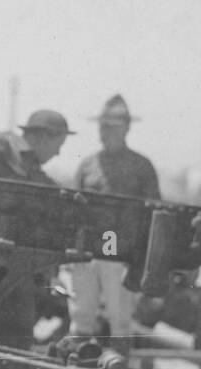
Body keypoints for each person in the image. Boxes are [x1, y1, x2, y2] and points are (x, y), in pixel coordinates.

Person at [0, 108, 75, 348]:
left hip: (15, 264)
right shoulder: (6, 144)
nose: (59, 152)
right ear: (44, 136)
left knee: (15, 332)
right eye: (58, 144)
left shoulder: (35, 171)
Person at [67, 94, 161, 354]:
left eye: (111, 127)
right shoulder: (87, 165)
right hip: (87, 251)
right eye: (102, 126)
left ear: (126, 129)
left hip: (121, 253)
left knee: (120, 317)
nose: (104, 133)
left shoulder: (141, 167)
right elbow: (72, 210)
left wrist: (143, 258)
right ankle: (78, 365)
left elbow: (155, 214)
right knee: (82, 313)